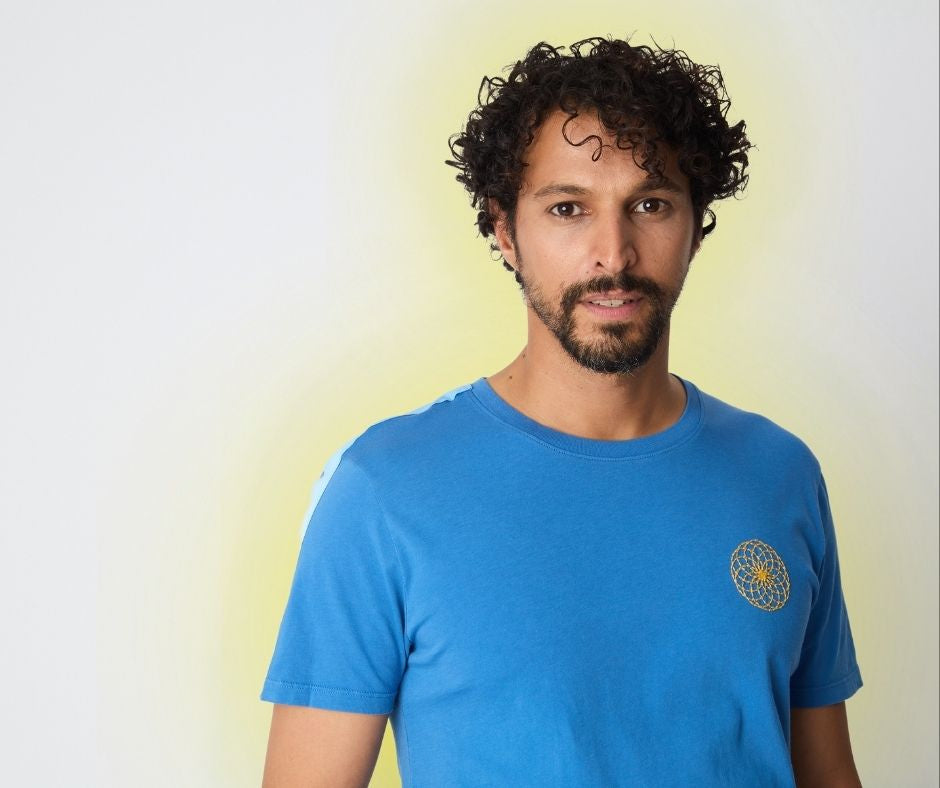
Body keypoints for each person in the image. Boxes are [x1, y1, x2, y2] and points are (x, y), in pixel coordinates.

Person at [259, 36, 864, 787]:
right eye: (568, 209)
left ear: (695, 226)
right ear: (505, 230)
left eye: (650, 204)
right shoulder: (383, 490)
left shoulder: (779, 472)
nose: (613, 253)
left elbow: (827, 772)